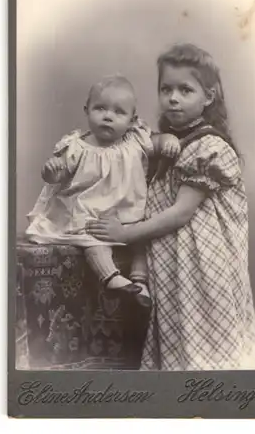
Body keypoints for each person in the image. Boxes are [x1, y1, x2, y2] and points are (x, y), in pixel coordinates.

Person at [86, 44, 255, 370]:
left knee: (209, 342)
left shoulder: (209, 147)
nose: (173, 98)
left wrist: (122, 233)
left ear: (208, 97)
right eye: (166, 89)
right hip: (172, 262)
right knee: (178, 338)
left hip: (205, 265)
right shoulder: (164, 143)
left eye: (185, 90)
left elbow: (180, 213)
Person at [26, 74, 180, 303]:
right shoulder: (77, 146)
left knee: (140, 241)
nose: (108, 116)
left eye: (119, 112)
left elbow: (158, 143)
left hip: (126, 213)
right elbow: (57, 175)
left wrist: (169, 139)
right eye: (100, 108)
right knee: (93, 242)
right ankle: (112, 278)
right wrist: (52, 169)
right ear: (87, 110)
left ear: (132, 119)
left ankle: (139, 282)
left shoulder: (135, 140)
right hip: (89, 213)